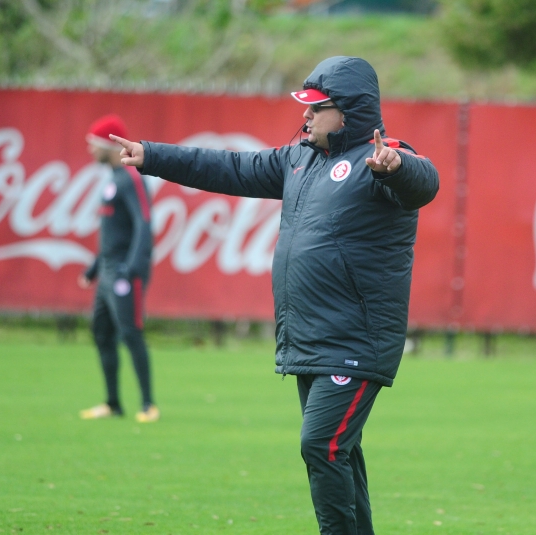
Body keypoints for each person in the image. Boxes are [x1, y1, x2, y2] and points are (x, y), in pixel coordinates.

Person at [111, 56, 439, 534]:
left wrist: (396, 165)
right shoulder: (299, 159)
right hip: (311, 338)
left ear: (348, 112)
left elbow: (422, 181)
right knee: (340, 450)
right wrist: (152, 155)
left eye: (316, 108)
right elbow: (229, 167)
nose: (305, 117)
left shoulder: (382, 158)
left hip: (355, 342)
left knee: (321, 445)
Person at [77, 114, 159, 424]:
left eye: (93, 144)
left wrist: (132, 267)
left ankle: (148, 404)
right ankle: (112, 403)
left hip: (125, 273)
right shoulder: (113, 180)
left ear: (106, 145)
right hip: (107, 273)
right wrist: (94, 268)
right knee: (102, 333)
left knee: (131, 334)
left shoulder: (132, 179)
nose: (90, 151)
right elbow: (113, 235)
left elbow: (144, 222)